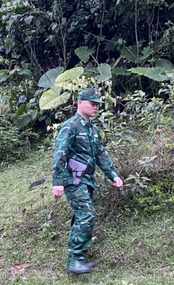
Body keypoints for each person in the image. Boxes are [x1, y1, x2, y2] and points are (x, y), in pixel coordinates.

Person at [52, 88, 123, 274]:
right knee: (87, 214)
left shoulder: (91, 128)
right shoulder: (70, 126)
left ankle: (78, 258)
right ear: (79, 103)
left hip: (87, 180)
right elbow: (60, 153)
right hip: (73, 180)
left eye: (97, 104)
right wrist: (57, 181)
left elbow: (100, 153)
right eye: (92, 103)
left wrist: (113, 175)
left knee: (80, 216)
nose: (95, 107)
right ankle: (75, 260)